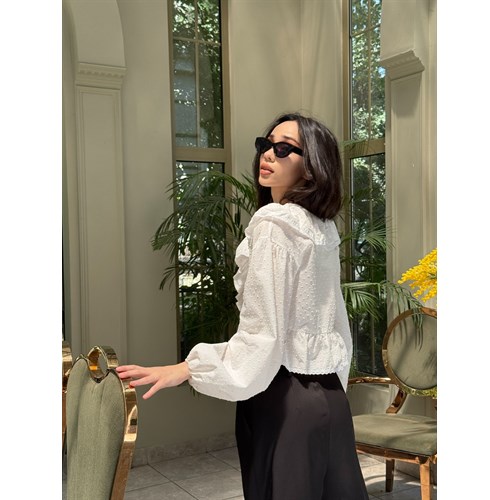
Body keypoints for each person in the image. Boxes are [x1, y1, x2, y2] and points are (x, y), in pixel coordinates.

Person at [117, 112, 369, 500]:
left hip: (283, 398)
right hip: (330, 398)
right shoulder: (322, 227)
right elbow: (336, 322)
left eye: (284, 148)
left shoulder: (274, 224)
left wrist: (188, 368)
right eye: (266, 144)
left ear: (311, 165)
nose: (267, 154)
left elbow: (263, 335)